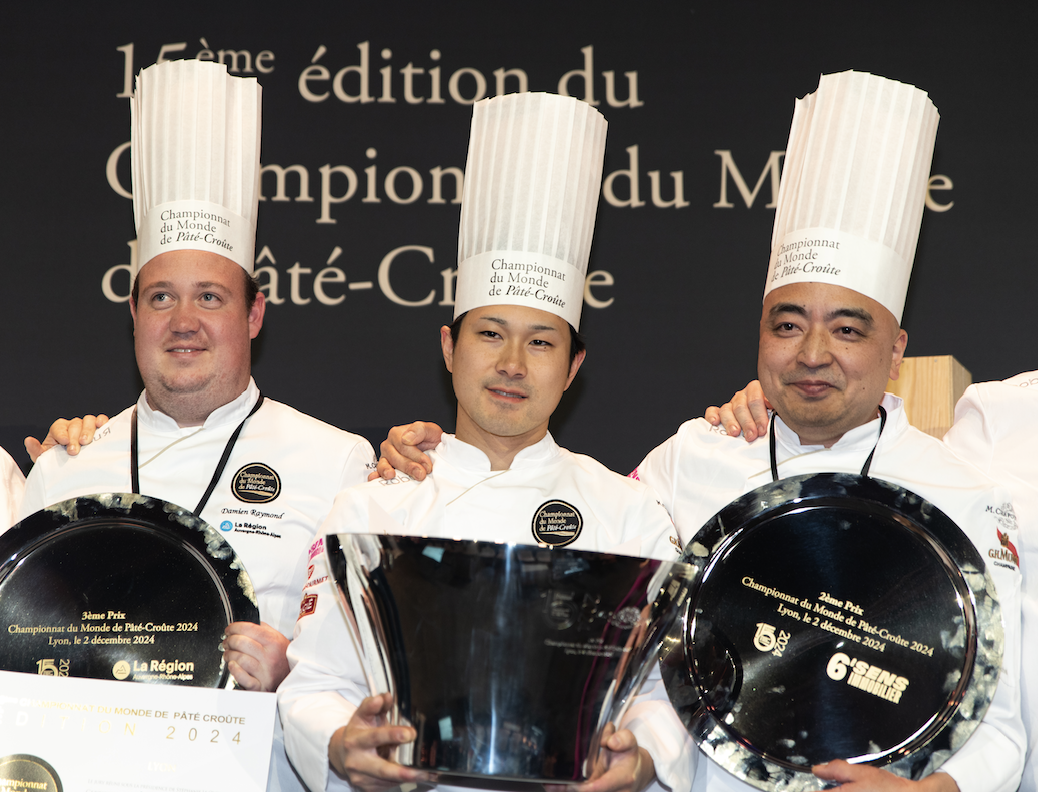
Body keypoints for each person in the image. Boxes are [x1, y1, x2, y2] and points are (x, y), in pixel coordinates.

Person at [372, 72, 1025, 792]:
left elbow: (999, 724)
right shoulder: (689, 461)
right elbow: (559, 537)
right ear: (760, 336)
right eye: (788, 324)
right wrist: (425, 461)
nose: (812, 354)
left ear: (896, 348)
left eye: (847, 329)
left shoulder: (962, 493)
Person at [278, 92, 691, 792]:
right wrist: (343, 743)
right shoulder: (372, 509)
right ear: (449, 346)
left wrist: (643, 755)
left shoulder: (630, 514)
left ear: (573, 367)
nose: (511, 365)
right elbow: (313, 681)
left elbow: (665, 690)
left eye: (540, 343)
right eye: (490, 334)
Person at [16, 60, 374, 792]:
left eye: (209, 297)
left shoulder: (338, 463)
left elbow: (369, 681)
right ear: (133, 313)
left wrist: (292, 672)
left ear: (254, 314)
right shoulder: (64, 470)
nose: (183, 324)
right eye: (160, 298)